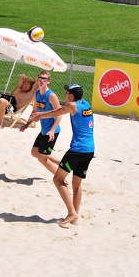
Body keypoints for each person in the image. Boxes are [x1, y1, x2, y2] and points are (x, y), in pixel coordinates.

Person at [27, 84, 94, 227]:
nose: (65, 94)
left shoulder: (72, 105)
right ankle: (75, 218)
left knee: (58, 180)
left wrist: (40, 114)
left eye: (67, 93)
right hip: (89, 150)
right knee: (77, 184)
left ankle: (72, 213)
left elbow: (56, 112)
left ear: (71, 96)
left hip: (77, 150)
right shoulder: (86, 104)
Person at [21, 71, 63, 174]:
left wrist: (52, 131)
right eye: (39, 78)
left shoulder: (51, 96)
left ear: (48, 81)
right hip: (44, 130)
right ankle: (63, 163)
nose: (41, 81)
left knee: (42, 158)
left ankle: (59, 177)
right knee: (35, 152)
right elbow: (34, 111)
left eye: (44, 79)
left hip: (52, 131)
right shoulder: (37, 94)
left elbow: (59, 114)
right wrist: (26, 125)